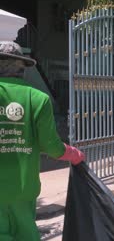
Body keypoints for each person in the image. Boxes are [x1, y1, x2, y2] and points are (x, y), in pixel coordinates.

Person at [0, 41, 85, 241]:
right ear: (22, 67)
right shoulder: (38, 98)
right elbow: (52, 147)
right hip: (23, 188)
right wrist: (74, 154)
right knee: (26, 235)